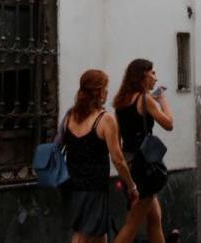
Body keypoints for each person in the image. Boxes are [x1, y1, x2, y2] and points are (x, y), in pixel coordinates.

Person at [63, 69, 139, 243]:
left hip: (74, 182)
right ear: (98, 92)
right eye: (105, 88)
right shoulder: (105, 119)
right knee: (82, 235)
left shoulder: (70, 116)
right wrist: (131, 186)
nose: (107, 92)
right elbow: (118, 159)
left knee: (98, 235)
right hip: (93, 186)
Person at [113, 59, 175, 243]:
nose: (156, 77)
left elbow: (119, 140)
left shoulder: (121, 102)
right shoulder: (145, 99)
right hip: (145, 167)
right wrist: (162, 100)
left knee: (154, 218)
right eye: (153, 73)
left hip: (130, 162)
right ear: (142, 76)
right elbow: (169, 124)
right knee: (132, 224)